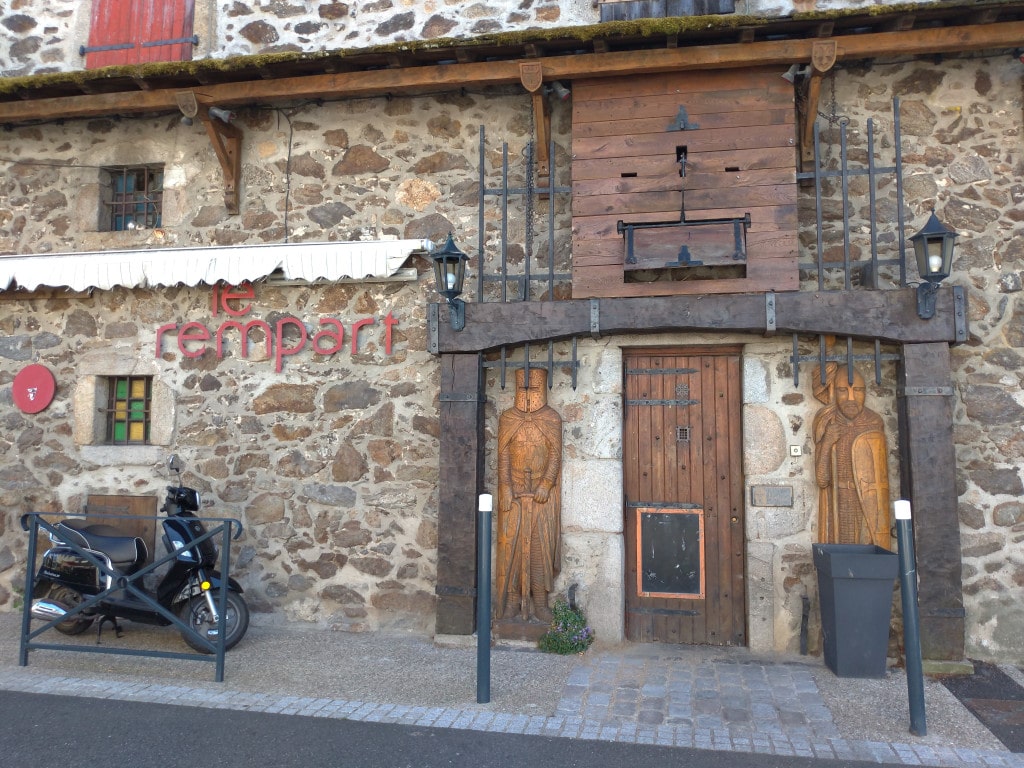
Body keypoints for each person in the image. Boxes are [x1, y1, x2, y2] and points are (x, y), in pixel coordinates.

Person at [495, 367, 562, 623]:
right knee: (510, 548)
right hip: (513, 493)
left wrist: (546, 483)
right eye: (523, 389)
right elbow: (503, 453)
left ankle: (541, 603)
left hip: (543, 495)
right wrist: (505, 486)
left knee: (540, 547)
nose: (527, 394)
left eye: (533, 389)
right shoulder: (508, 418)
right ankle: (513, 601)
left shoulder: (551, 418)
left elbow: (555, 454)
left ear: (542, 389)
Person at [813, 363, 892, 550]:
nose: (851, 397)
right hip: (840, 501)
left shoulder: (874, 422)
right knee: (843, 554)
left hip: (869, 504)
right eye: (842, 390)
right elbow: (822, 480)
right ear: (834, 392)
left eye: (858, 390)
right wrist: (827, 442)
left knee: (870, 553)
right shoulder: (826, 422)